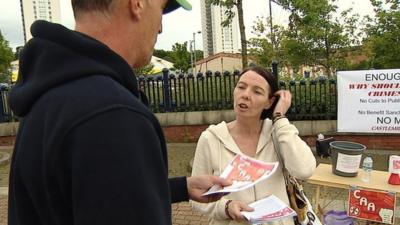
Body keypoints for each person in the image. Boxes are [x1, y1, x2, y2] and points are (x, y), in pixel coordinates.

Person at [7, 0, 230, 225]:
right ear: (138, 4)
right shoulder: (114, 117)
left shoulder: (50, 93)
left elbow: (81, 197)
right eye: (161, 10)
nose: (161, 27)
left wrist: (180, 187)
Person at [190, 66, 316, 225]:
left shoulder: (278, 134)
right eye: (241, 87)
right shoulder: (211, 139)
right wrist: (226, 207)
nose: (245, 95)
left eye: (257, 92)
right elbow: (196, 197)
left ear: (269, 102)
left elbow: (305, 170)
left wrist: (279, 118)